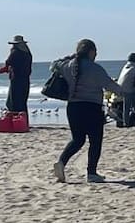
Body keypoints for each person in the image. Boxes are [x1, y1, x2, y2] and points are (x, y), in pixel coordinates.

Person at [49, 39, 121, 183]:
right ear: (91, 52)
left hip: (73, 107)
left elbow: (53, 65)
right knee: (95, 141)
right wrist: (124, 90)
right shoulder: (95, 69)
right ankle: (91, 173)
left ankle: (62, 162)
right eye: (95, 52)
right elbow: (111, 87)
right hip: (92, 108)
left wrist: (69, 58)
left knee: (77, 139)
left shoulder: (68, 65)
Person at [3, 35, 33, 114]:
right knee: (22, 102)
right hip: (25, 80)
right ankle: (23, 122)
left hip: (16, 80)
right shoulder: (28, 53)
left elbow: (8, 63)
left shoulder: (15, 53)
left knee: (14, 102)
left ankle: (15, 122)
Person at [116, 53, 135, 128]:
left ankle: (126, 121)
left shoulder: (126, 66)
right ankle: (130, 121)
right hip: (129, 90)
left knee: (126, 107)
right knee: (132, 104)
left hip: (120, 89)